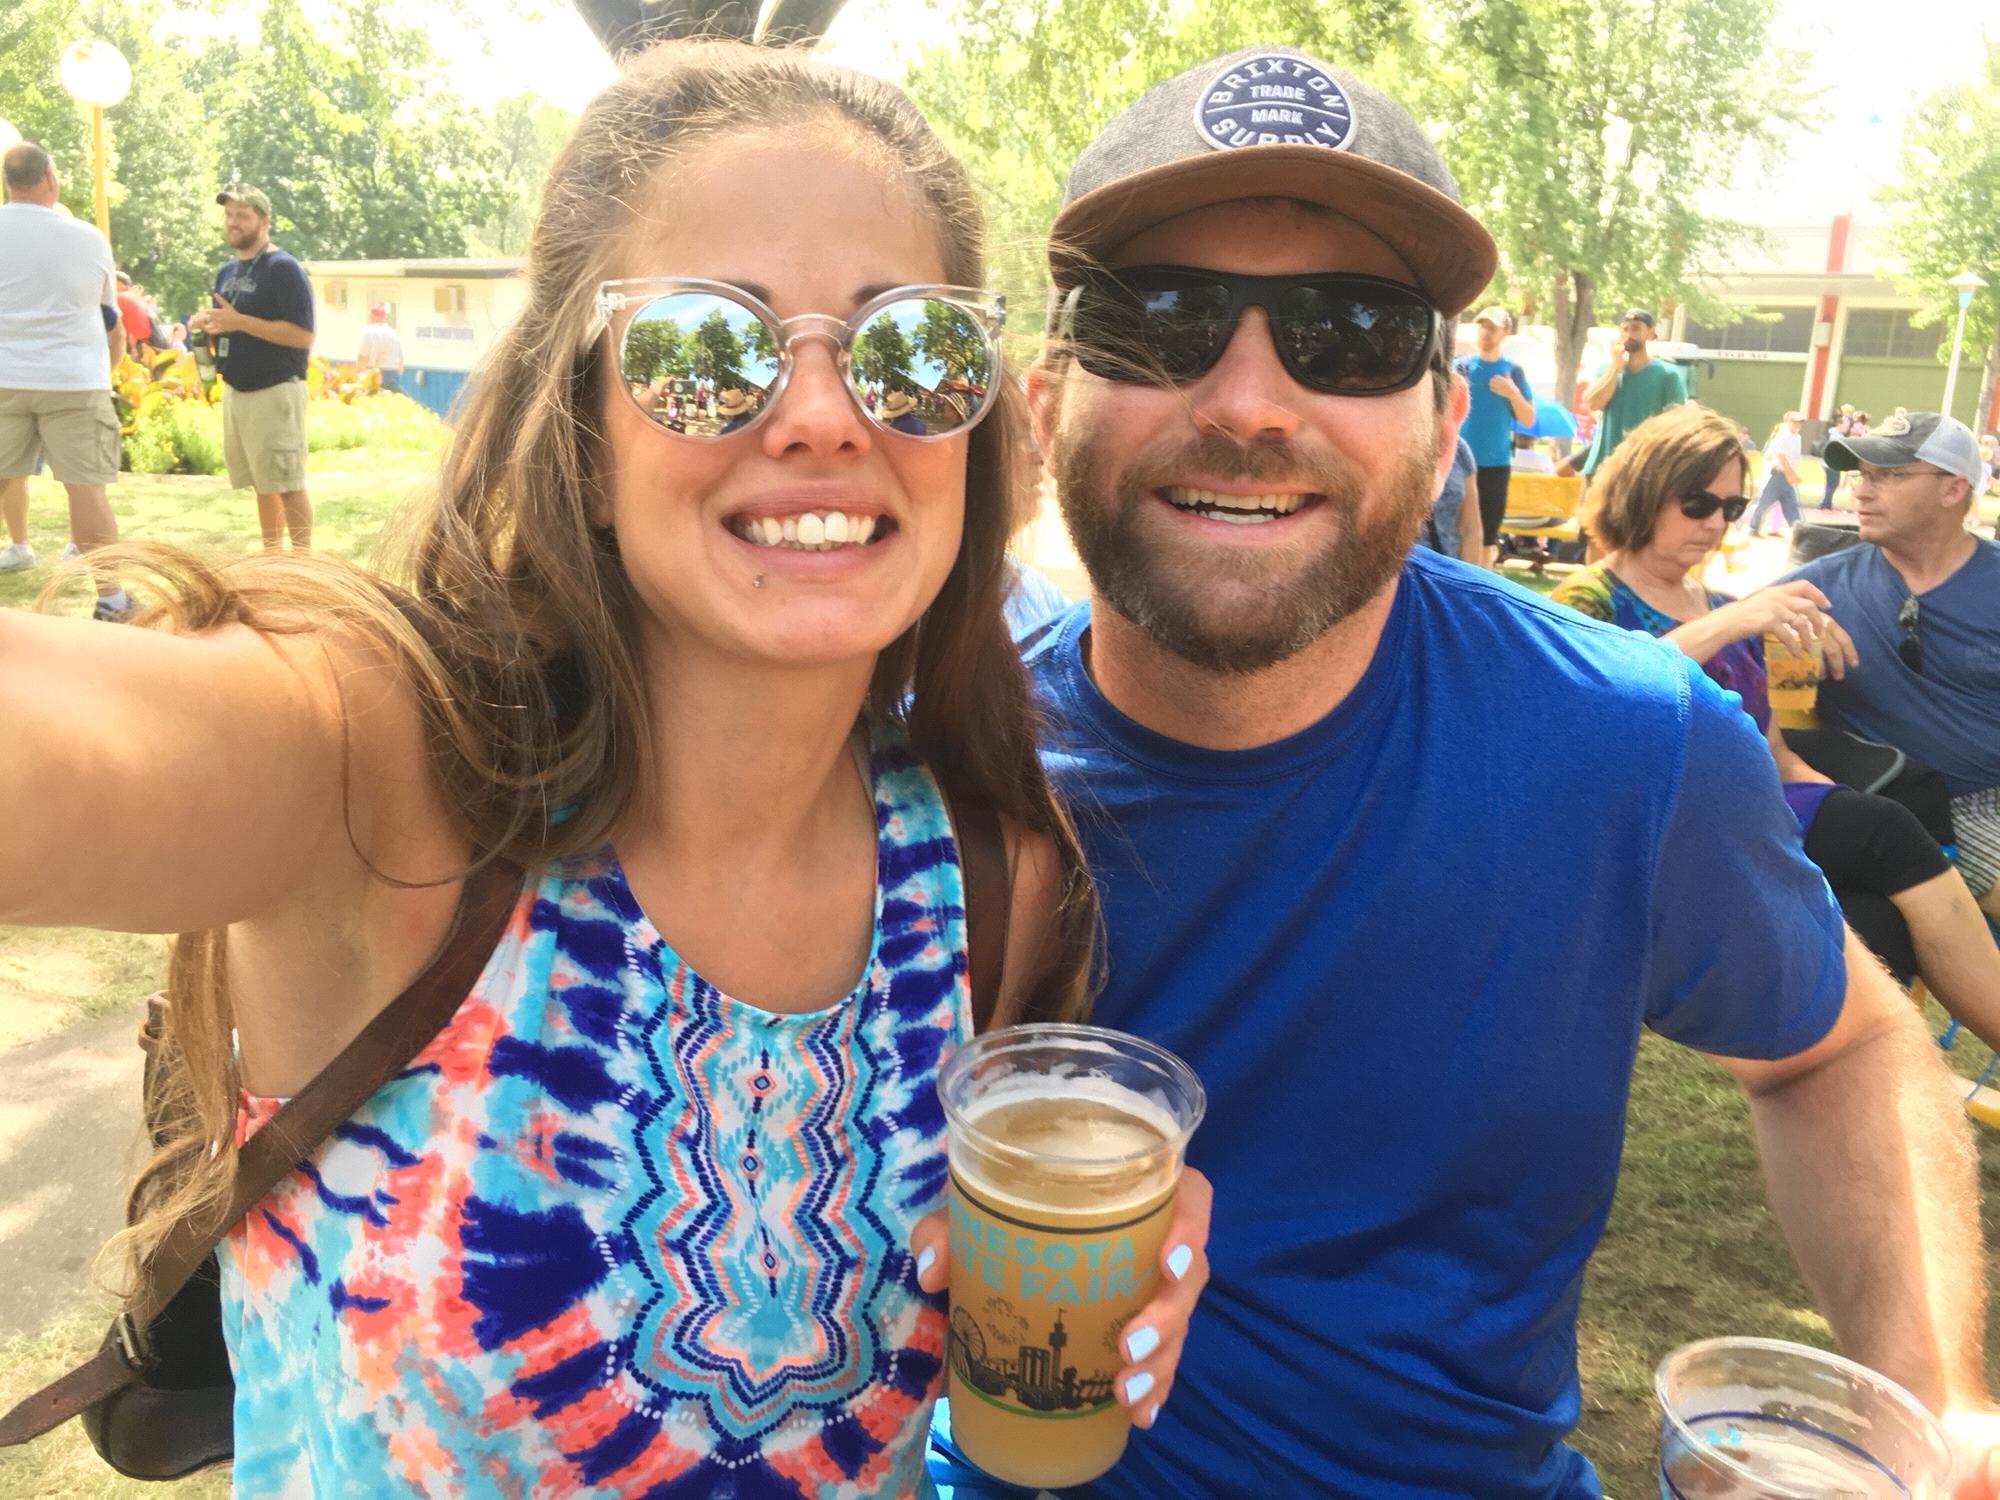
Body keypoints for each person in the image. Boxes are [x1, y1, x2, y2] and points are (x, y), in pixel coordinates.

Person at [0, 44, 1211, 1495]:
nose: (826, 415)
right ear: (580, 433)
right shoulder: (380, 768)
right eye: (706, 349)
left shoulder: (990, 882)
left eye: (909, 351)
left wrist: (1086, 1260)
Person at [931, 43, 2000, 1498]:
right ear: (1046, 398)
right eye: (1160, 319)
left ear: (1445, 427)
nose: (1247, 401)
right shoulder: (931, 766)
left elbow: (1839, 1049)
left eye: (1353, 333)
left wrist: (1937, 1403)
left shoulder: (1628, 743)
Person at [1552, 404, 2000, 1045]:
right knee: (1886, 832)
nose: (1715, 523)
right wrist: (1733, 622)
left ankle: (1864, 1081)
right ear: (1644, 491)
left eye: (1731, 508)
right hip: (1656, 832)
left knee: (1876, 920)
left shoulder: (1723, 606)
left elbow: (1772, 750)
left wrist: (1830, 798)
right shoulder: (1588, 601)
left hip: (1757, 819)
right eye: (1697, 503)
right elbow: (1587, 703)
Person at [1792, 411, 2000, 925]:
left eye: (1887, 476)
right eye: (1862, 475)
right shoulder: (1817, 588)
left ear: (1953, 489)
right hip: (1911, 808)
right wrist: (1761, 618)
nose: (1860, 492)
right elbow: (1695, 651)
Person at [0, 142, 134, 618]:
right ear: (51, 179)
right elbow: (110, 319)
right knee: (85, 489)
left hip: (4, 377)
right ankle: (111, 598)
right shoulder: (88, 239)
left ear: (7, 183)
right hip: (73, 380)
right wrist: (105, 374)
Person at [188, 184, 315, 551]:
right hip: (237, 388)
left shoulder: (283, 268)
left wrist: (239, 322)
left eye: (242, 215)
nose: (233, 222)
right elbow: (229, 323)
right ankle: (272, 558)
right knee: (264, 483)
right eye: (229, 215)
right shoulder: (227, 272)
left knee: (288, 483)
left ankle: (304, 565)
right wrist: (208, 325)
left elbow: (303, 335)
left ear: (264, 221)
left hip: (275, 389)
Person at [1453, 304, 1534, 564]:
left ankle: (1483, 581)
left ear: (1505, 332)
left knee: (1487, 538)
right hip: (1458, 462)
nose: (1485, 332)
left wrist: (1513, 394)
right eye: (1482, 326)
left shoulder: (1513, 371)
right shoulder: (1461, 367)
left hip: (1495, 465)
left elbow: (1528, 419)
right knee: (1455, 532)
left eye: (1492, 327)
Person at [1579, 307, 1688, 477]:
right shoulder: (1607, 368)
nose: (1629, 334)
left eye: (1636, 328)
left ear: (1650, 332)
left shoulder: (1667, 375)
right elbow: (1593, 404)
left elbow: (1675, 423)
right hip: (1601, 467)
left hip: (1642, 471)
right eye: (1625, 329)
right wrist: (1615, 368)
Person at [1423, 432, 1479, 562]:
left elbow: (1470, 528)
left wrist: (1469, 572)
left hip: (1447, 563)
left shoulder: (1459, 449)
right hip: (1402, 565)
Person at [1747, 409, 1805, 535]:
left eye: (1800, 422)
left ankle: (1799, 532)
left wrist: (1794, 474)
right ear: (1788, 422)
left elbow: (1794, 458)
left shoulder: (1797, 437)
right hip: (1777, 475)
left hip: (1787, 477)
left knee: (1791, 504)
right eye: (1795, 422)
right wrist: (1791, 475)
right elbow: (1781, 457)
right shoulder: (1783, 436)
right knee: (1764, 502)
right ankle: (1753, 527)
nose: (1798, 425)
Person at [353, 302, 404, 393]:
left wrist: (361, 378)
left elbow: (362, 359)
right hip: (393, 375)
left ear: (371, 316)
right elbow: (401, 361)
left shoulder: (368, 333)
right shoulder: (394, 334)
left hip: (374, 375)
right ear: (385, 317)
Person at [1818, 409, 1853, 509]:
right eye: (1846, 426)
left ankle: (1826, 503)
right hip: (1832, 464)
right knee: (1832, 484)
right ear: (1839, 425)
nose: (1847, 428)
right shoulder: (1837, 436)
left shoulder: (1831, 432)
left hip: (1827, 463)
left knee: (1830, 484)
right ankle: (1825, 505)